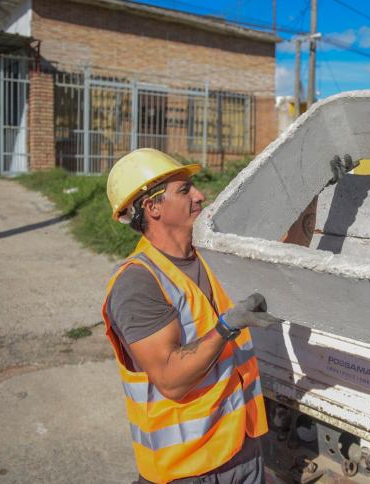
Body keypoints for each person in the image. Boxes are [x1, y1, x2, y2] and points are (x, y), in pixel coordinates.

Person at [102, 148, 281, 484]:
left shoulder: (212, 255)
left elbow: (281, 262)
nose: (200, 196)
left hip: (242, 448)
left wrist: (316, 195)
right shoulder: (138, 283)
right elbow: (171, 380)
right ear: (152, 207)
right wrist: (227, 327)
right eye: (184, 190)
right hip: (188, 470)